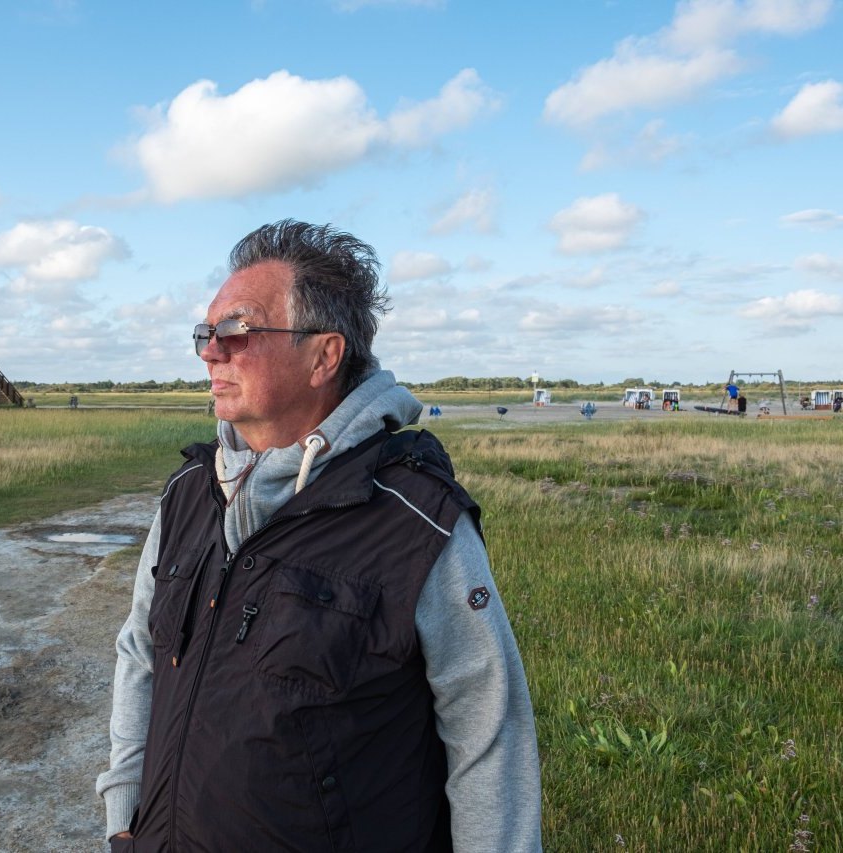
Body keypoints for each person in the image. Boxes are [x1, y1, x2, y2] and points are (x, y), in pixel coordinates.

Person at [96, 220, 541, 852]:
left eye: (235, 331)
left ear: (323, 356)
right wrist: (123, 814)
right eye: (204, 333)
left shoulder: (415, 521)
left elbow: (488, 735)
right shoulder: (188, 495)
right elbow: (141, 652)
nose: (209, 352)